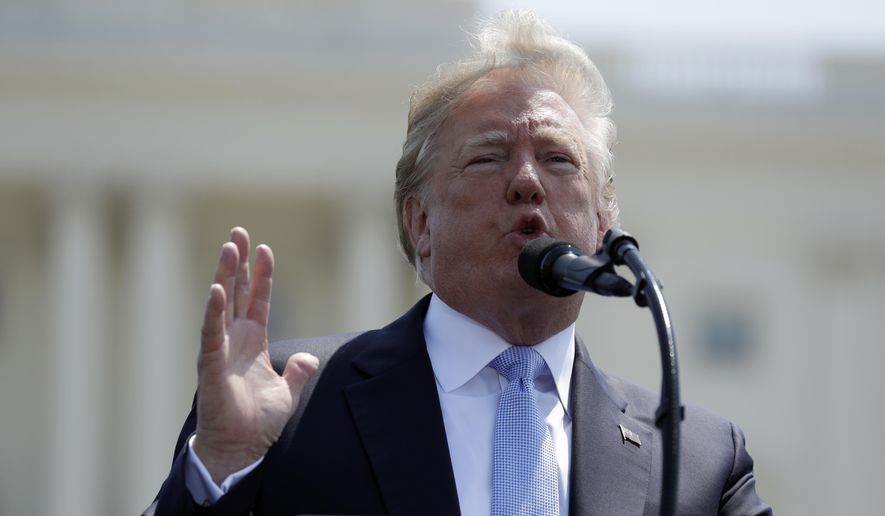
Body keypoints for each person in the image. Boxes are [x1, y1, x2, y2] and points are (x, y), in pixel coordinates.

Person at [144, 10, 772, 516]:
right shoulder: (292, 402)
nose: (527, 181)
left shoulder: (697, 463)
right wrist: (220, 467)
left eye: (558, 160)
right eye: (487, 158)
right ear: (420, 221)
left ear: (602, 225)